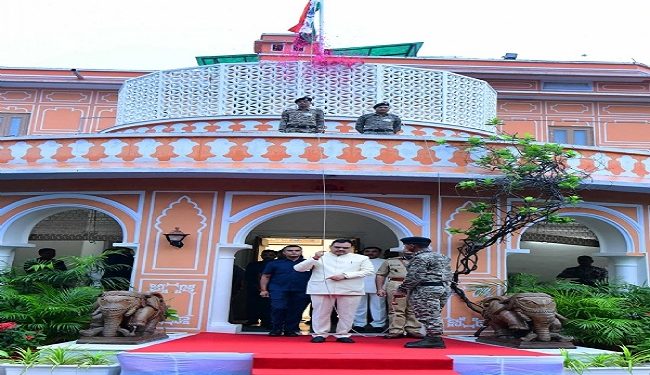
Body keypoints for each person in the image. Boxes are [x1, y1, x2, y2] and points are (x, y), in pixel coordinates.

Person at [294, 239, 375, 343]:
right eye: (337, 247)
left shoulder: (361, 258)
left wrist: (345, 276)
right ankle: (319, 334)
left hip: (350, 288)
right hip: (322, 288)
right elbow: (298, 268)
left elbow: (369, 271)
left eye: (345, 248)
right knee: (320, 313)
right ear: (330, 247)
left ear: (351, 248)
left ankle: (343, 334)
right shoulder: (320, 256)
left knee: (347, 313)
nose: (341, 249)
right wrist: (315, 258)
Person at [393, 236, 452, 349]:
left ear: (412, 246)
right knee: (434, 313)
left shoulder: (420, 258)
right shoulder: (441, 256)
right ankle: (432, 337)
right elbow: (449, 274)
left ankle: (434, 340)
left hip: (427, 289)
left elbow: (415, 276)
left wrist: (402, 289)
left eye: (406, 245)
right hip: (442, 288)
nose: (405, 247)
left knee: (429, 315)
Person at [259, 245, 312, 337]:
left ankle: (290, 330)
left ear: (301, 252)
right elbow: (266, 276)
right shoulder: (274, 263)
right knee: (278, 308)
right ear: (284, 252)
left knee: (296, 310)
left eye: (297, 250)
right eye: (290, 250)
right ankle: (276, 329)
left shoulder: (308, 263)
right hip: (278, 289)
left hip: (301, 290)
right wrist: (263, 290)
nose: (294, 252)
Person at [376, 245, 423, 339]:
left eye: (411, 250)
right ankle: (396, 330)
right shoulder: (391, 261)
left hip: (417, 285)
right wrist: (380, 288)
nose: (409, 252)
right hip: (396, 283)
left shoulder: (423, 260)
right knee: (395, 308)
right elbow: (381, 274)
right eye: (407, 250)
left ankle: (413, 330)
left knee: (415, 308)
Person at [353, 247, 387, 332]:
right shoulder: (357, 260)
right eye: (367, 251)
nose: (370, 253)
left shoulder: (384, 262)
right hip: (359, 286)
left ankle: (379, 324)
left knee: (379, 306)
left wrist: (383, 287)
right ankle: (358, 324)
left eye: (374, 251)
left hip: (378, 287)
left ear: (379, 253)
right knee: (359, 306)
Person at [244, 249, 277, 327]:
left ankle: (267, 321)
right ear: (261, 256)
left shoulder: (278, 265)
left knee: (269, 306)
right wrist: (257, 287)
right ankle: (252, 319)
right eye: (265, 255)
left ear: (275, 256)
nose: (268, 256)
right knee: (253, 305)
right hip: (254, 289)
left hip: (273, 289)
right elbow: (248, 277)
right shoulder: (253, 265)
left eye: (271, 255)